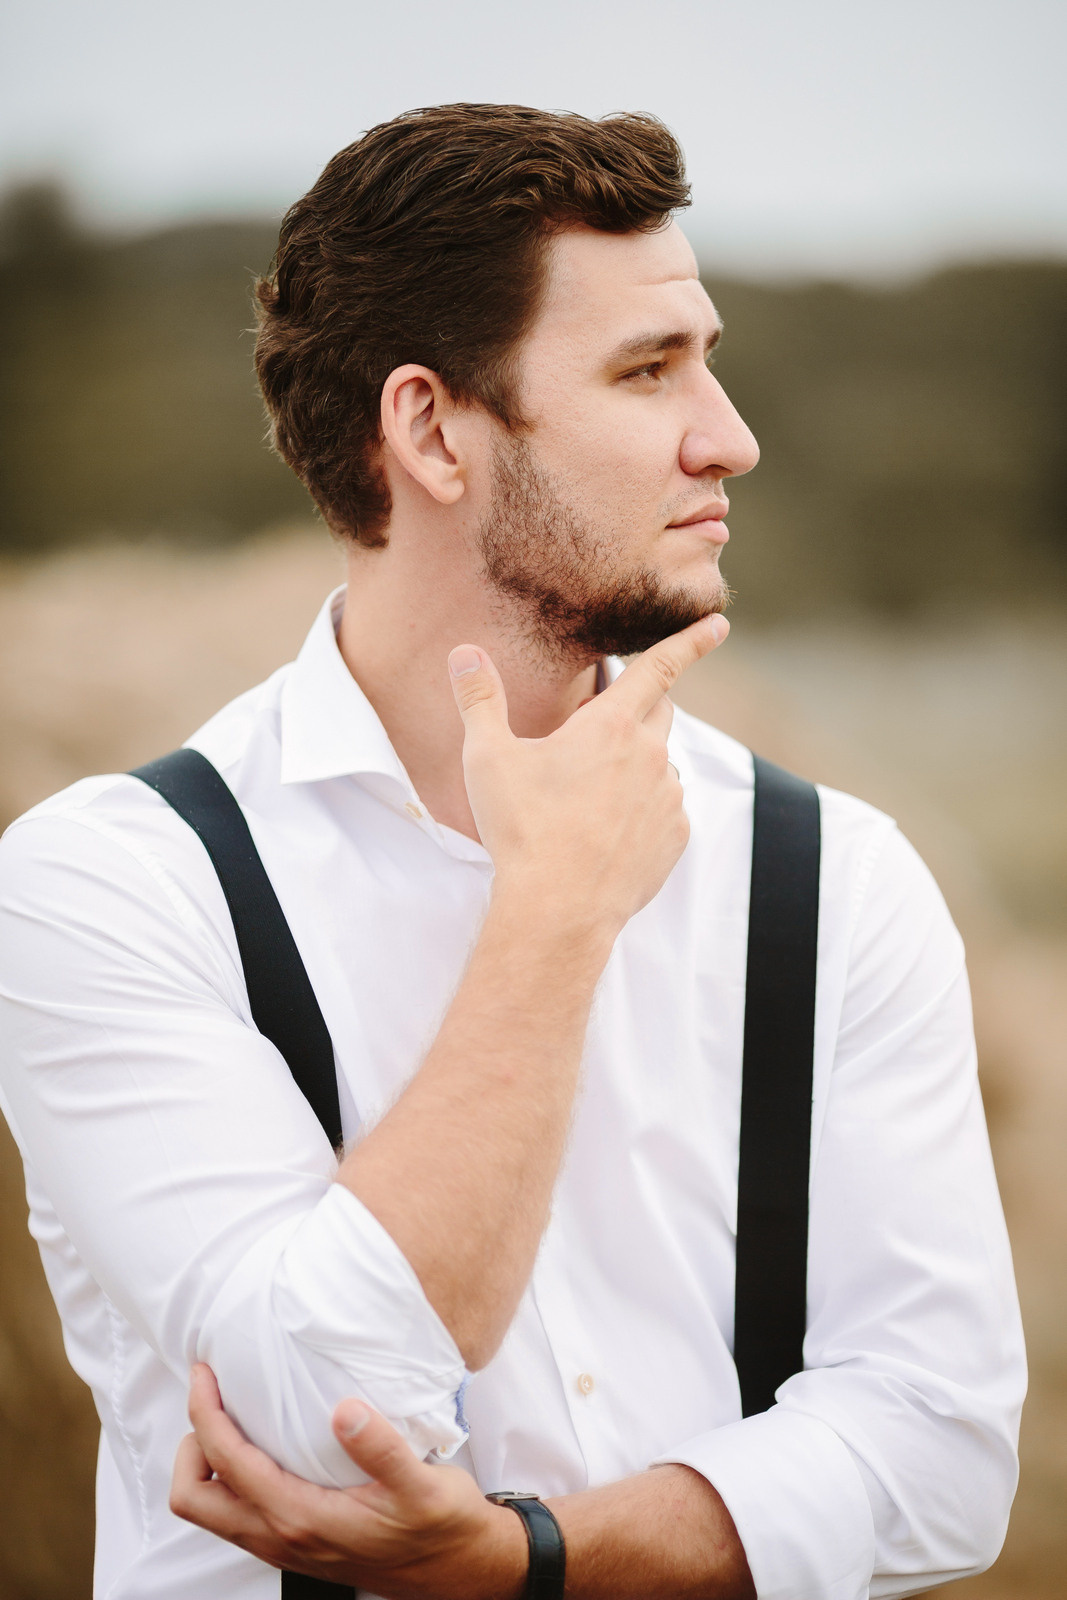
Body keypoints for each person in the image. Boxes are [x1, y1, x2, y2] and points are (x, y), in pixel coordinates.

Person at [0, 104, 1024, 1600]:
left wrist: (530, 1562)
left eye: (708, 359)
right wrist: (551, 915)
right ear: (429, 430)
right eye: (647, 370)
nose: (727, 436)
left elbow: (943, 1455)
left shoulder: (835, 877)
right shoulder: (110, 885)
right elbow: (315, 1412)